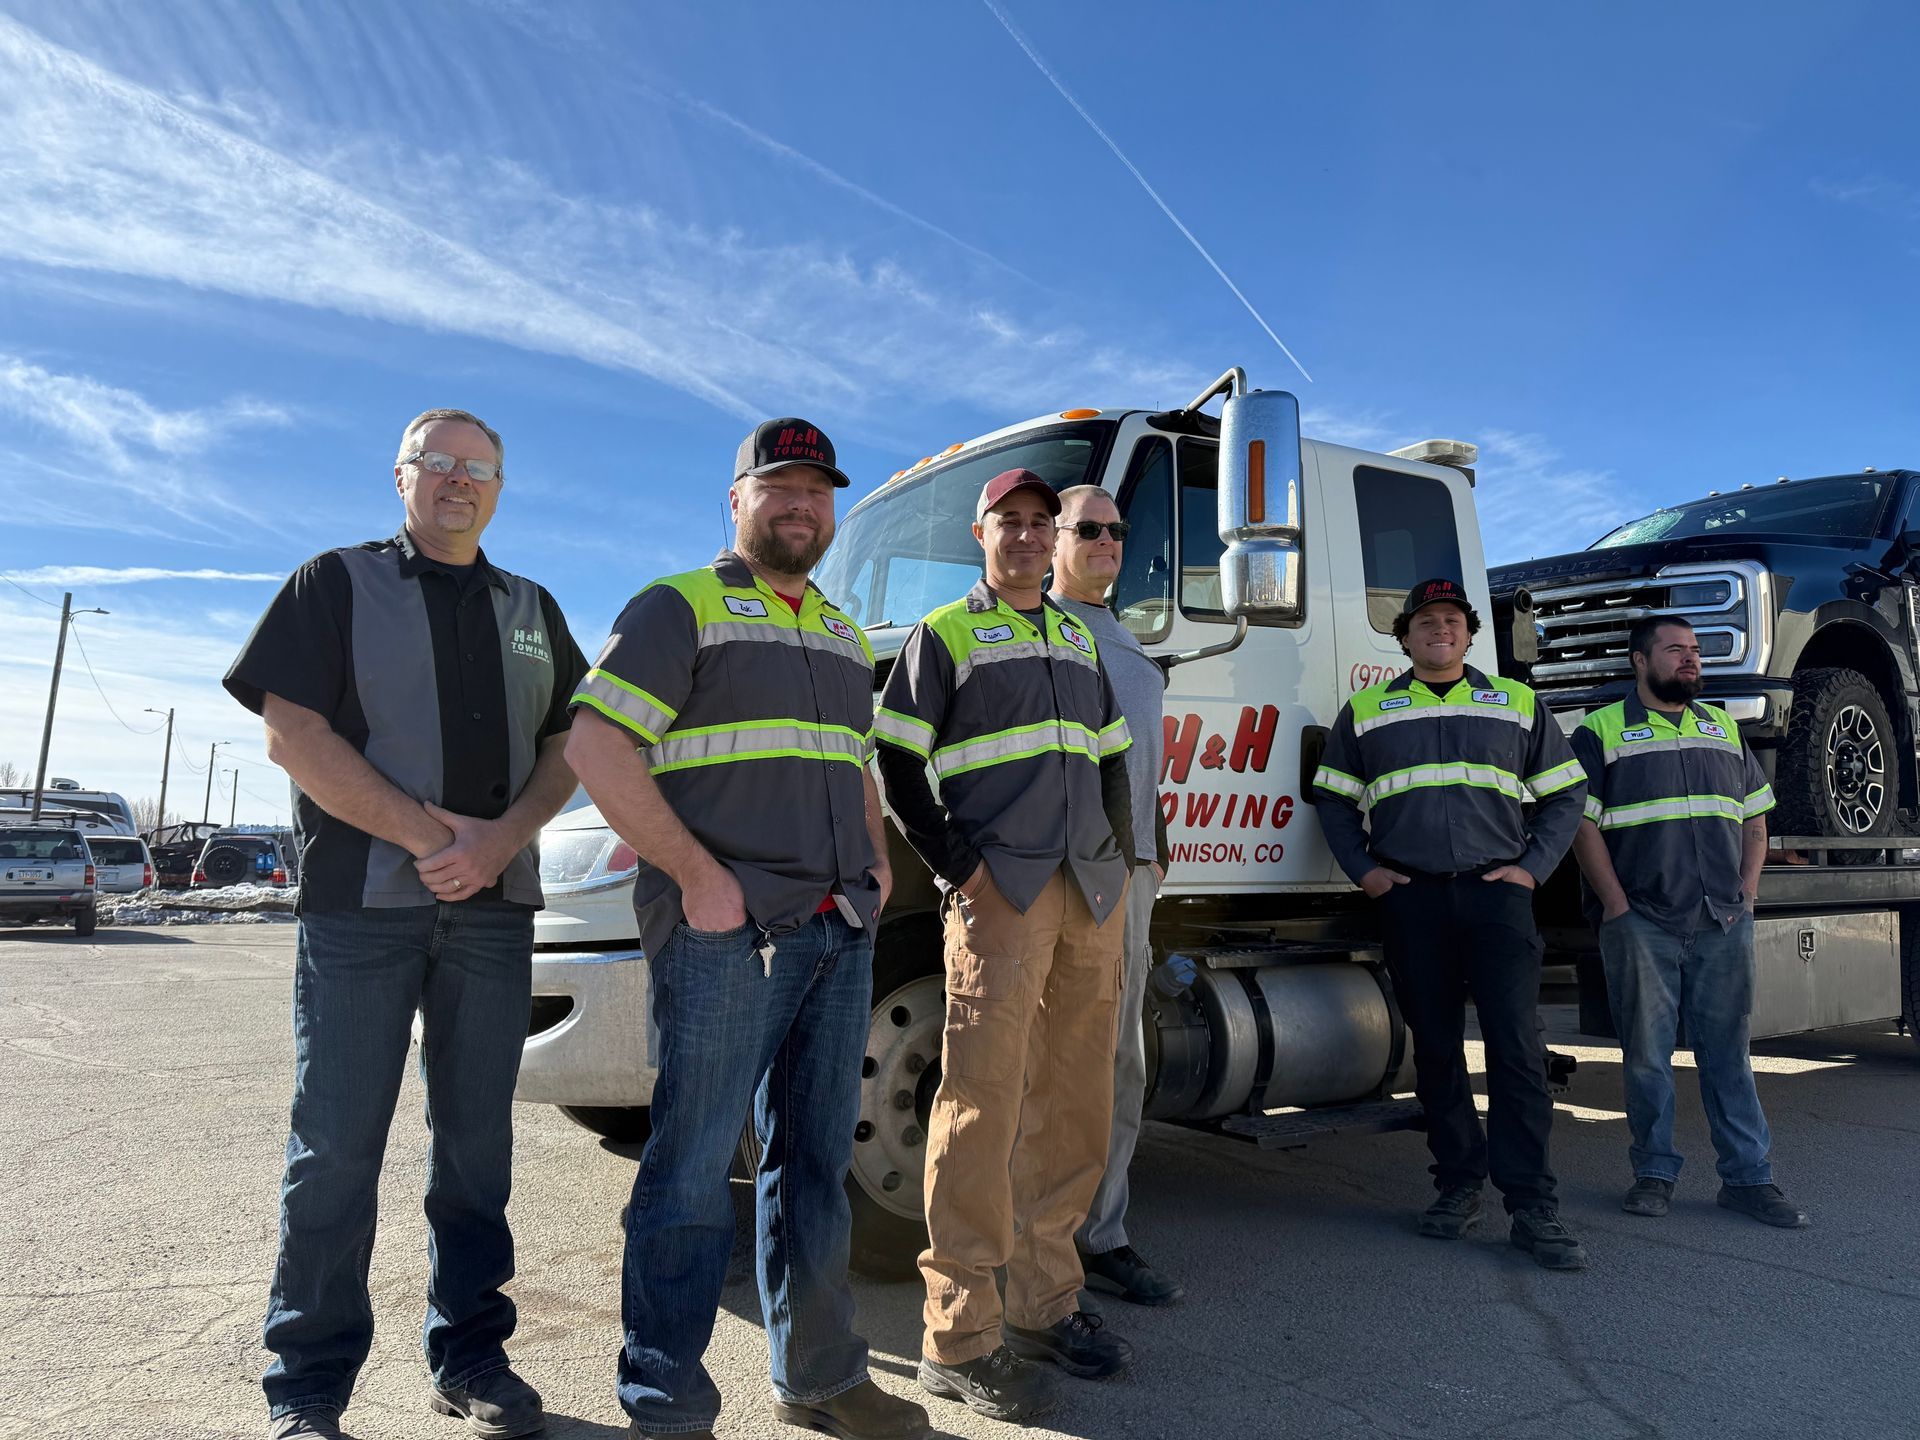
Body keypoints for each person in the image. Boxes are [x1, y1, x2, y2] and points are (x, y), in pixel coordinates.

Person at [564, 418, 931, 1440]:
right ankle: (664, 1399)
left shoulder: (842, 632)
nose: (801, 505)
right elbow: (596, 746)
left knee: (814, 1165)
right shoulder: (680, 605)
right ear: (737, 501)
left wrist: (871, 867)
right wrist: (696, 877)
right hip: (728, 933)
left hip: (835, 929)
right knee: (688, 1164)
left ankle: (818, 1377)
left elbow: (852, 764)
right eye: (780, 486)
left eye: (818, 491)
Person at [225, 408, 588, 1440]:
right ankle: (307, 1388)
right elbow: (294, 736)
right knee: (336, 1147)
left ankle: (471, 1355)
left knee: (477, 1149)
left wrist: (502, 839)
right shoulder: (332, 584)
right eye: (440, 463)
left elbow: (572, 741)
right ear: (402, 477)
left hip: (494, 917)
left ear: (500, 489)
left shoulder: (533, 607)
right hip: (361, 915)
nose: (460, 481)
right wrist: (436, 838)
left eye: (482, 469)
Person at [875, 467, 1136, 1424]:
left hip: (1086, 896)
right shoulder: (942, 634)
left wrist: (1122, 858)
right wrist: (961, 871)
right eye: (1009, 523)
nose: (1027, 538)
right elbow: (898, 759)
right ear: (981, 534)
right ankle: (959, 1335)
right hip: (1004, 897)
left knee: (1075, 1104)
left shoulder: (1076, 635)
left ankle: (1045, 1303)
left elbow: (1113, 759)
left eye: (1042, 524)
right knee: (981, 1108)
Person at [1312, 577, 1591, 1271]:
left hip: (1498, 896)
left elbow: (1566, 794)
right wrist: (1366, 872)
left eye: (1453, 620)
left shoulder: (1517, 703)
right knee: (1436, 1050)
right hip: (1413, 899)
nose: (1440, 629)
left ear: (1470, 635)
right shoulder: (1369, 710)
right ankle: (1457, 1186)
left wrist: (1532, 869)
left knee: (1516, 1052)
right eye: (1426, 621)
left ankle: (1532, 1206)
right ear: (1404, 636)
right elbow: (1333, 799)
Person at [1570, 616, 1809, 1228]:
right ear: (1639, 661)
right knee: (1647, 1057)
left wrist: (1748, 892)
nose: (1691, 660)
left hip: (1722, 920)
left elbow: (1754, 820)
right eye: (1676, 650)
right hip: (1642, 922)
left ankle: (1750, 1180)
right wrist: (1617, 908)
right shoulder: (1600, 731)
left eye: (1696, 651)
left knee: (1728, 1052)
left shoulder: (1722, 727)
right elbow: (1581, 825)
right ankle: (1653, 1172)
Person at [1047, 484, 1181, 1307]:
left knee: (1117, 1061)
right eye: (1089, 528)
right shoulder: (1030, 629)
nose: (1108, 540)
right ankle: (1032, 1246)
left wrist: (1154, 851)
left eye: (1118, 530)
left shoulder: (1126, 640)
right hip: (1049, 878)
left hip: (1127, 883)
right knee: (1037, 1069)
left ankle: (1100, 1234)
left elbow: (1140, 766)